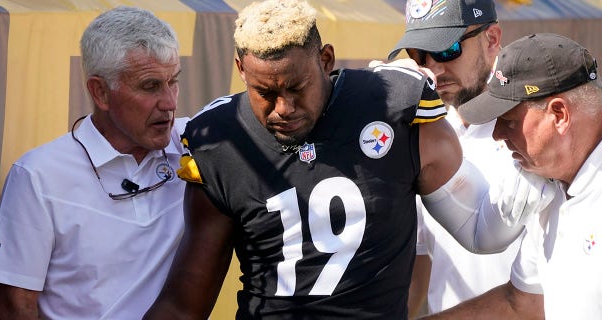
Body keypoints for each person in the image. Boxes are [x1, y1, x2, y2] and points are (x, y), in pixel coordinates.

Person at [144, 1, 553, 319]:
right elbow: (184, 305)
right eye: (265, 93)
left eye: (297, 87)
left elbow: (481, 232)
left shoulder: (395, 105)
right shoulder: (220, 140)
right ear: (240, 71)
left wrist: (538, 172)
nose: (282, 108)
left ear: (326, 60)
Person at [0, 6, 188, 319]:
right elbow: (15, 307)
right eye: (150, 86)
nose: (171, 103)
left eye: (172, 81)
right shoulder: (38, 175)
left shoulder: (197, 143)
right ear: (100, 92)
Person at [422, 33, 602, 319]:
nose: (497, 134)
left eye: (508, 121)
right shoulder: (547, 184)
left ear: (559, 115)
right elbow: (521, 302)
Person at [386, 0, 521, 317]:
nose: (432, 67)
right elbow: (422, 258)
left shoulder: (536, 130)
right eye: (419, 54)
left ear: (492, 40)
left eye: (447, 49)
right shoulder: (424, 137)